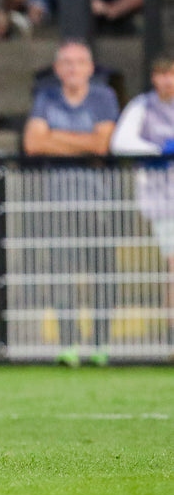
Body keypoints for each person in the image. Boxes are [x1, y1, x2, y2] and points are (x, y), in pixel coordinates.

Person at [23, 40, 119, 367]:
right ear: (58, 68)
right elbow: (33, 143)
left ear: (90, 67)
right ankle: (68, 345)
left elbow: (102, 144)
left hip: (99, 202)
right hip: (58, 201)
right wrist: (83, 144)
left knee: (102, 276)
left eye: (79, 62)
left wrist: (56, 137)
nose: (73, 68)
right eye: (67, 62)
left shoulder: (104, 97)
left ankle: (101, 345)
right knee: (62, 275)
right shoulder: (46, 97)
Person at [109, 55, 174, 334]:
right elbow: (120, 143)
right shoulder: (142, 106)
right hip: (160, 200)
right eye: (162, 74)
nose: (167, 80)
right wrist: (158, 151)